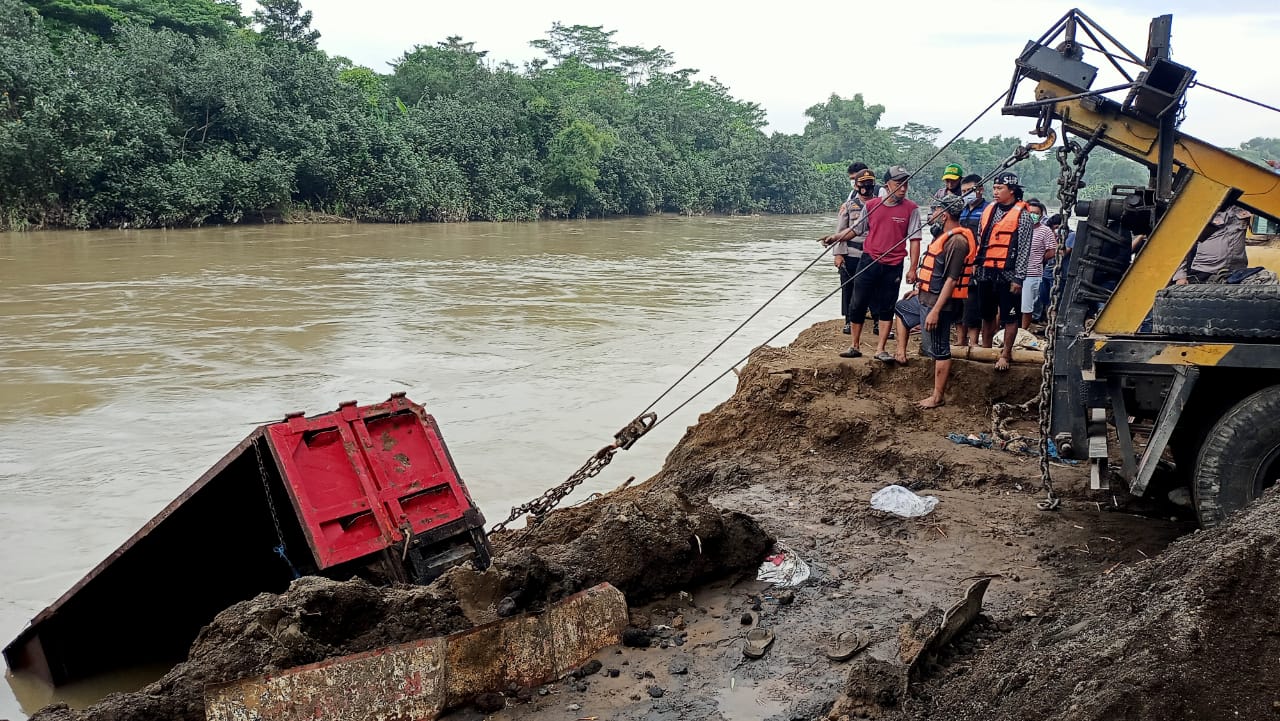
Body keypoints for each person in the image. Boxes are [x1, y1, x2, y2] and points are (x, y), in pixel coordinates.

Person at [890, 193, 976, 408]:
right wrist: (919, 290)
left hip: (941, 305)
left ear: (945, 215)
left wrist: (936, 310)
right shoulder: (944, 236)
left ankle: (937, 396)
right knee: (901, 308)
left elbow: (951, 280)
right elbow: (935, 273)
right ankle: (900, 350)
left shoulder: (957, 242)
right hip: (925, 298)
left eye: (936, 211)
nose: (933, 214)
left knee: (940, 349)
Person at [840, 165, 923, 360]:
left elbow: (915, 239)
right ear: (888, 184)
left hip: (893, 264)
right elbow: (857, 229)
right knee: (857, 303)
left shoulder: (911, 209)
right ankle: (854, 345)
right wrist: (836, 237)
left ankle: (881, 349)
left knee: (887, 306)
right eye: (898, 184)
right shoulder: (872, 205)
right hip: (869, 260)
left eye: (905, 184)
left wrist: (912, 268)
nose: (903, 188)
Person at [975, 171, 1036, 371]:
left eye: (1000, 188)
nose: (995, 192)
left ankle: (1006, 353)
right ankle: (985, 348)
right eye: (994, 188)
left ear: (1012, 190)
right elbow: (979, 238)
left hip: (1009, 274)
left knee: (1010, 316)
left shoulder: (1024, 216)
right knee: (986, 313)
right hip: (986, 271)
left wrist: (1019, 278)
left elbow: (1025, 248)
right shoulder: (989, 210)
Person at [820, 164, 878, 333]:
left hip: (873, 254)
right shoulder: (848, 206)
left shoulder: (881, 205)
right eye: (862, 184)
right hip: (852, 253)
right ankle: (849, 321)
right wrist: (838, 255)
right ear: (856, 186)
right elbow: (840, 231)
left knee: (875, 288)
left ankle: (877, 321)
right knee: (849, 288)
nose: (866, 188)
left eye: (869, 184)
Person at [1173, 206, 1252, 283]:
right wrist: (1180, 276)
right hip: (1204, 272)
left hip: (1236, 271)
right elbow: (1181, 245)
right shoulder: (1199, 209)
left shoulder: (1244, 206)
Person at [957, 174, 988, 347]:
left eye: (970, 191)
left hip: (977, 263)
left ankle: (974, 342)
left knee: (973, 303)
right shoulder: (961, 209)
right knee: (958, 302)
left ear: (980, 190)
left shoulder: (987, 209)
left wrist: (978, 261)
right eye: (964, 191)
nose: (966, 194)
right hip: (959, 261)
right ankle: (960, 340)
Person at [1020, 199, 1054, 329]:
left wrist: (1040, 259)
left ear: (1041, 215)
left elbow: (1052, 250)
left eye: (1036, 213)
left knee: (1027, 306)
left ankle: (1023, 330)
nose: (1033, 215)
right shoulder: (1019, 228)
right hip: (1015, 272)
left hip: (1033, 273)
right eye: (1030, 212)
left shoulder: (1045, 231)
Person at [1037, 213, 1064, 320]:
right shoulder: (1048, 236)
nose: (1055, 231)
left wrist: (1055, 239)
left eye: (1057, 228)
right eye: (1054, 228)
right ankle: (1044, 318)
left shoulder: (1070, 236)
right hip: (1046, 272)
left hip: (1059, 273)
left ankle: (1053, 321)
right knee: (1043, 296)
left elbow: (1062, 252)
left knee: (1055, 298)